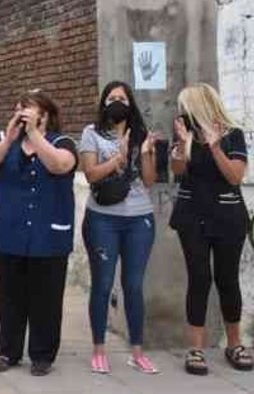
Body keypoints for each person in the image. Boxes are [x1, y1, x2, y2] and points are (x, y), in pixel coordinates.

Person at [0, 90, 78, 377]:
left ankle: (42, 355)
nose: (20, 111)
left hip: (48, 237)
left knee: (45, 299)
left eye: (28, 108)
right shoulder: (3, 140)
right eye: (18, 107)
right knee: (10, 297)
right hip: (10, 233)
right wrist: (10, 139)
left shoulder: (63, 143)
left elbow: (59, 165)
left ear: (45, 114)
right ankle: (8, 351)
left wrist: (35, 135)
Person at [168, 83, 252, 375]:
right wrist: (180, 146)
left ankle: (234, 344)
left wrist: (215, 146)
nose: (182, 113)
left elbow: (235, 176)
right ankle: (195, 349)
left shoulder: (233, 135)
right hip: (192, 215)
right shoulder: (184, 134)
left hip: (228, 215)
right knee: (199, 278)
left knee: (227, 279)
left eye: (185, 106)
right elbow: (177, 172)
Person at [79, 82, 160, 375]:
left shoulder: (141, 134)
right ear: (103, 103)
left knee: (134, 286)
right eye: (111, 98)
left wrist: (148, 153)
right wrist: (118, 158)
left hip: (139, 219)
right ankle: (99, 349)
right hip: (102, 219)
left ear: (130, 103)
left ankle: (137, 352)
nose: (116, 101)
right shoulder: (92, 133)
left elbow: (149, 181)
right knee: (102, 284)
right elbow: (90, 174)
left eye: (122, 98)